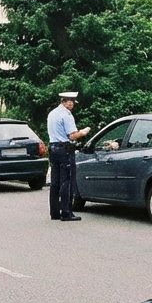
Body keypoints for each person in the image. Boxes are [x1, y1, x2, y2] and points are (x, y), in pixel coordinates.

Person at [46, 91, 90, 221]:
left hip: (53, 148)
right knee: (66, 181)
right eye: (68, 101)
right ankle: (66, 212)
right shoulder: (66, 115)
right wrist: (83, 132)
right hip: (65, 149)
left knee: (55, 182)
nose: (70, 104)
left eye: (71, 101)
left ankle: (54, 212)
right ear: (63, 101)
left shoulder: (52, 113)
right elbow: (72, 135)